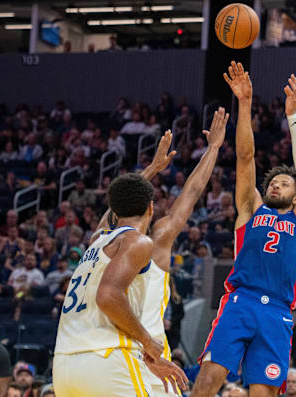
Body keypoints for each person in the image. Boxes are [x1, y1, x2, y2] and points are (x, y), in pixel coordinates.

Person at [192, 63, 296, 397]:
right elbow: (245, 158)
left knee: (262, 393)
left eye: (283, 183)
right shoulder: (251, 209)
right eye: (274, 182)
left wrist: (292, 118)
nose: (276, 186)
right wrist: (244, 103)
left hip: (278, 311)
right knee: (208, 379)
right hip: (241, 300)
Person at [95, 111, 228, 396]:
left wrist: (152, 170)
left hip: (101, 354)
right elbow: (191, 193)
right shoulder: (156, 244)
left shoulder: (101, 241)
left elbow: (118, 205)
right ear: (152, 209)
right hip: (146, 355)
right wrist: (214, 148)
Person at [53, 173, 186, 397]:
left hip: (65, 366)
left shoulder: (96, 243)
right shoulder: (137, 241)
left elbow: (112, 211)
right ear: (151, 208)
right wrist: (147, 342)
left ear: (114, 211)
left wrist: (151, 168)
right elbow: (107, 296)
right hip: (107, 359)